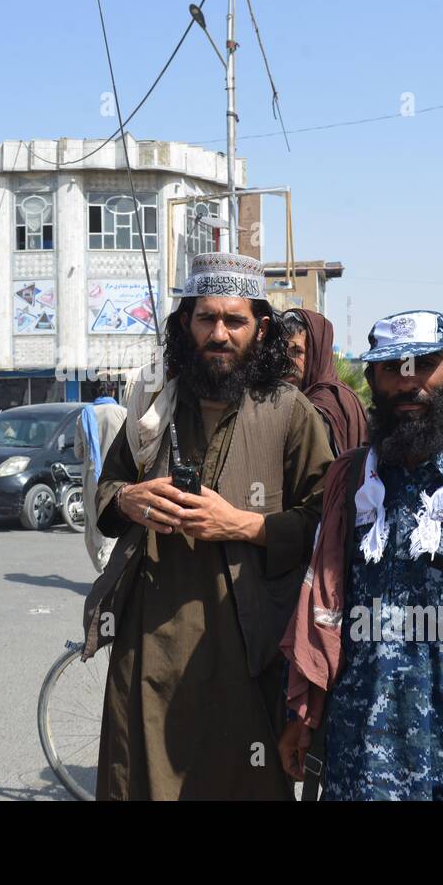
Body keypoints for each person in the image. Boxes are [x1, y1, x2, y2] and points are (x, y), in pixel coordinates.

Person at [82, 252, 333, 800]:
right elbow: (103, 492)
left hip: (244, 654)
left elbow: (326, 526)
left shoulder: (290, 413)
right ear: (185, 324)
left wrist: (243, 524)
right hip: (148, 646)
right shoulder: (154, 405)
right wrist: (129, 500)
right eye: (205, 319)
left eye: (234, 321)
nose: (219, 334)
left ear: (260, 328)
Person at [279, 310, 443, 800]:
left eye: (423, 363)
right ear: (372, 379)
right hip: (361, 757)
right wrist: (304, 715)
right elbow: (326, 611)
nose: (408, 382)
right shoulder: (355, 480)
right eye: (391, 367)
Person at [282, 307, 368, 456]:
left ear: (317, 354)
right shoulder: (342, 393)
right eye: (282, 352)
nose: (287, 362)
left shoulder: (322, 404)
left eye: (297, 352)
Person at [74, 379, 128, 574]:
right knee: (115, 523)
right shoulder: (123, 414)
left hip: (93, 479)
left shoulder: (84, 416)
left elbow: (78, 453)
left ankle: (106, 572)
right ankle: (112, 573)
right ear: (112, 392)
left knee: (95, 526)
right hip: (118, 477)